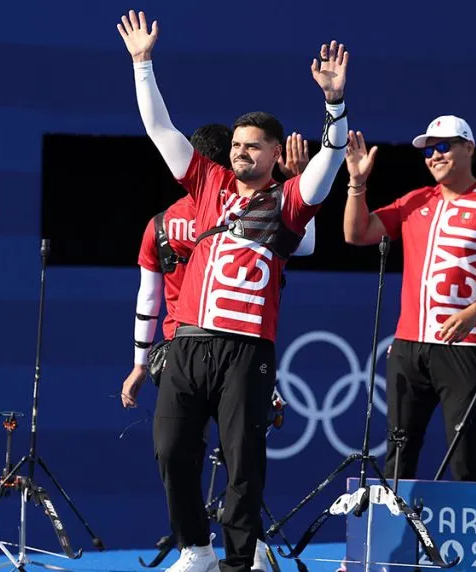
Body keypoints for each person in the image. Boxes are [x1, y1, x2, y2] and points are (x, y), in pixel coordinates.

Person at [117, 9, 349, 572]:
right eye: (238, 144)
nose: (241, 152)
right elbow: (160, 129)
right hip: (189, 346)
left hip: (246, 350)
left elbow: (332, 157)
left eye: (254, 146)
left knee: (244, 465)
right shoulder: (206, 183)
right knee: (171, 452)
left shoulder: (290, 204)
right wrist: (142, 64)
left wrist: (334, 105)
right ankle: (195, 548)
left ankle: (239, 561)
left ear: (274, 154)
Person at [120, 126, 311, 572]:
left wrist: (138, 361)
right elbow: (306, 246)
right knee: (209, 451)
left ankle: (236, 550)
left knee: (224, 453)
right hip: (186, 347)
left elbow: (147, 298)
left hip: (220, 343)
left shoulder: (165, 221)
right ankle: (204, 549)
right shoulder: (199, 211)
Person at [341, 116, 476, 482]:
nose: (434, 156)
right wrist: (357, 183)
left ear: (468, 148)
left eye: (444, 146)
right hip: (409, 346)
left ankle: (469, 538)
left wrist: (475, 312)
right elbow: (356, 233)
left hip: (465, 345)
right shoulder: (416, 201)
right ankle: (394, 536)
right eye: (429, 150)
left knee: (465, 452)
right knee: (399, 448)